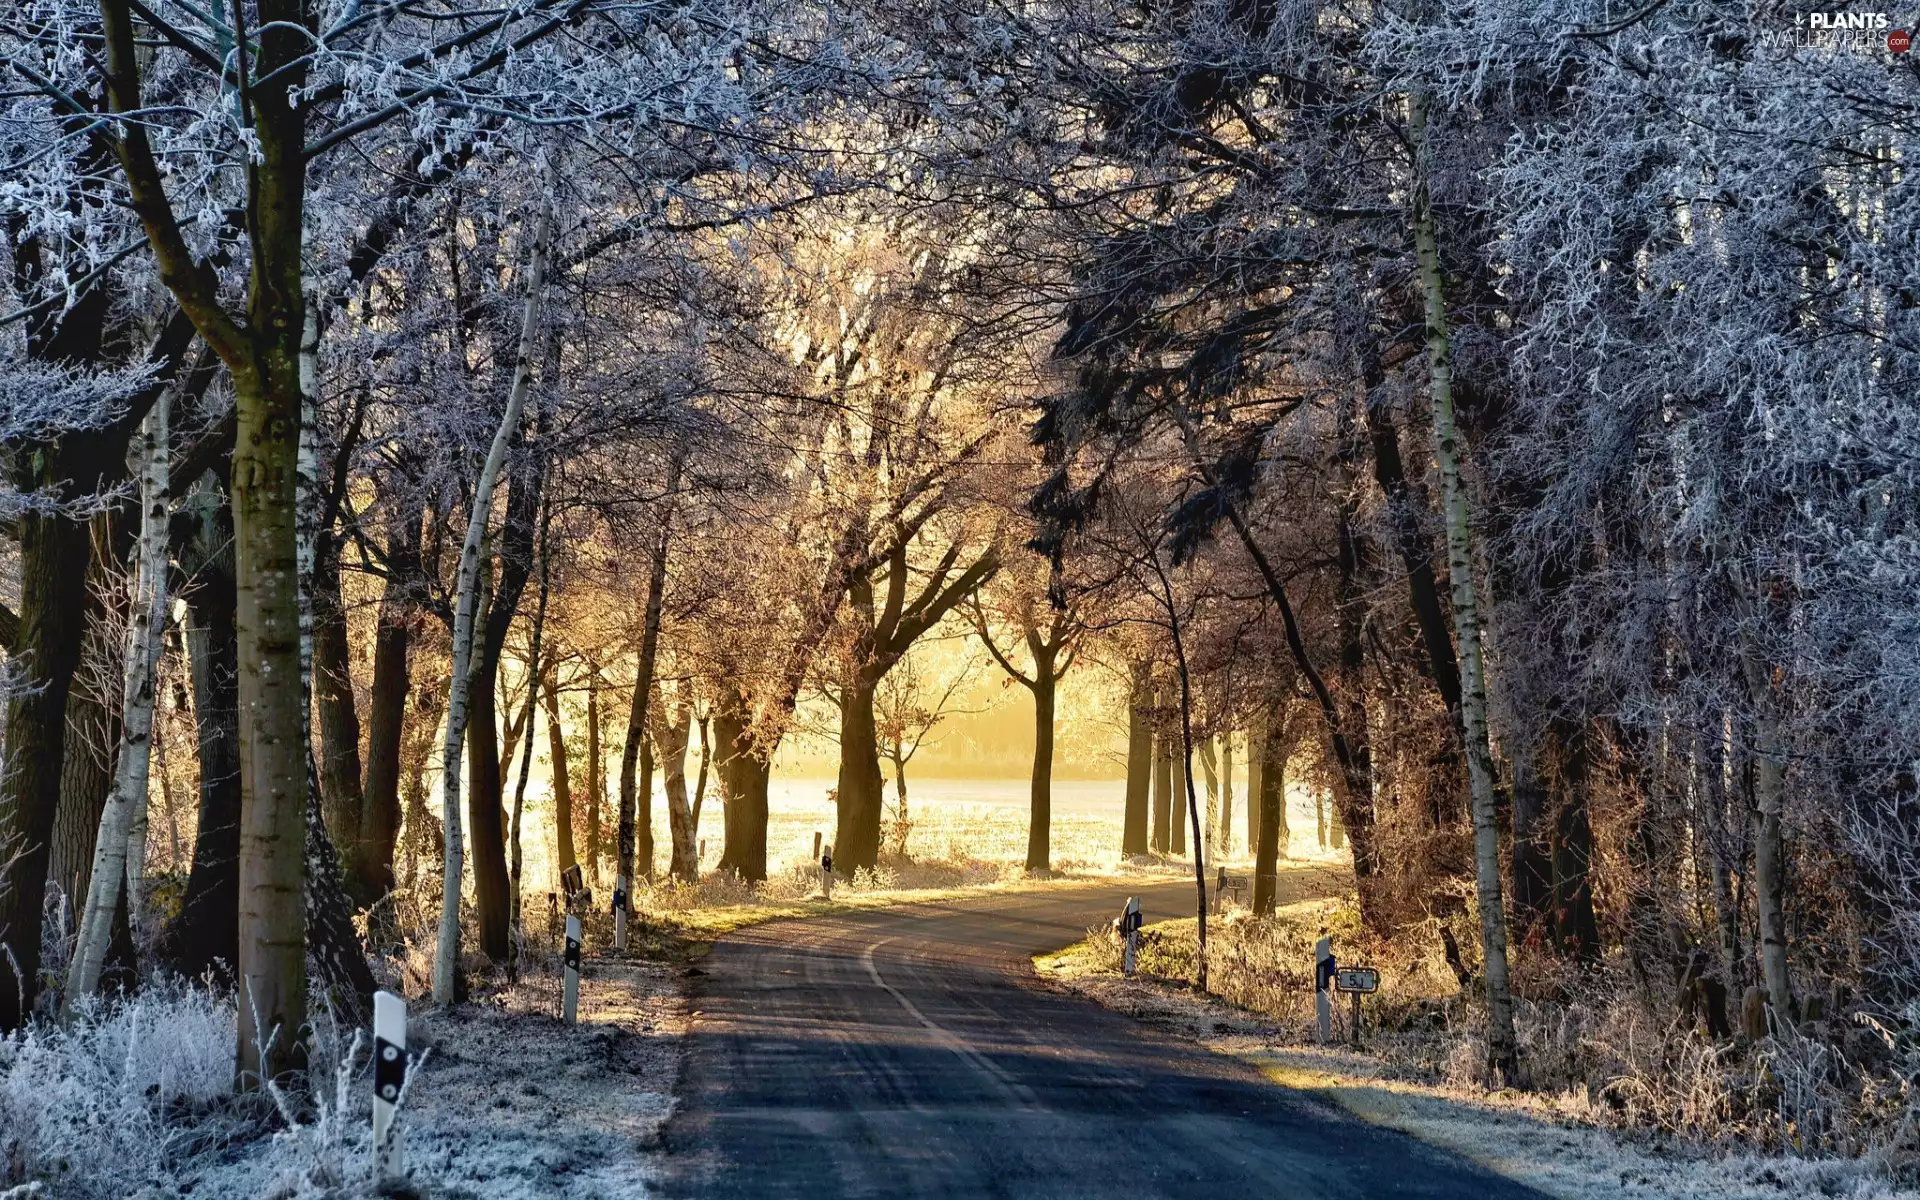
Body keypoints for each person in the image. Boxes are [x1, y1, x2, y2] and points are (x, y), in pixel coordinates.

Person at [1314, 927, 1335, 1042]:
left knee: (1322, 980)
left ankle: (1324, 1035)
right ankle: (1323, 1035)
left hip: (1323, 965)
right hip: (1322, 971)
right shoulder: (1322, 948)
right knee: (1322, 981)